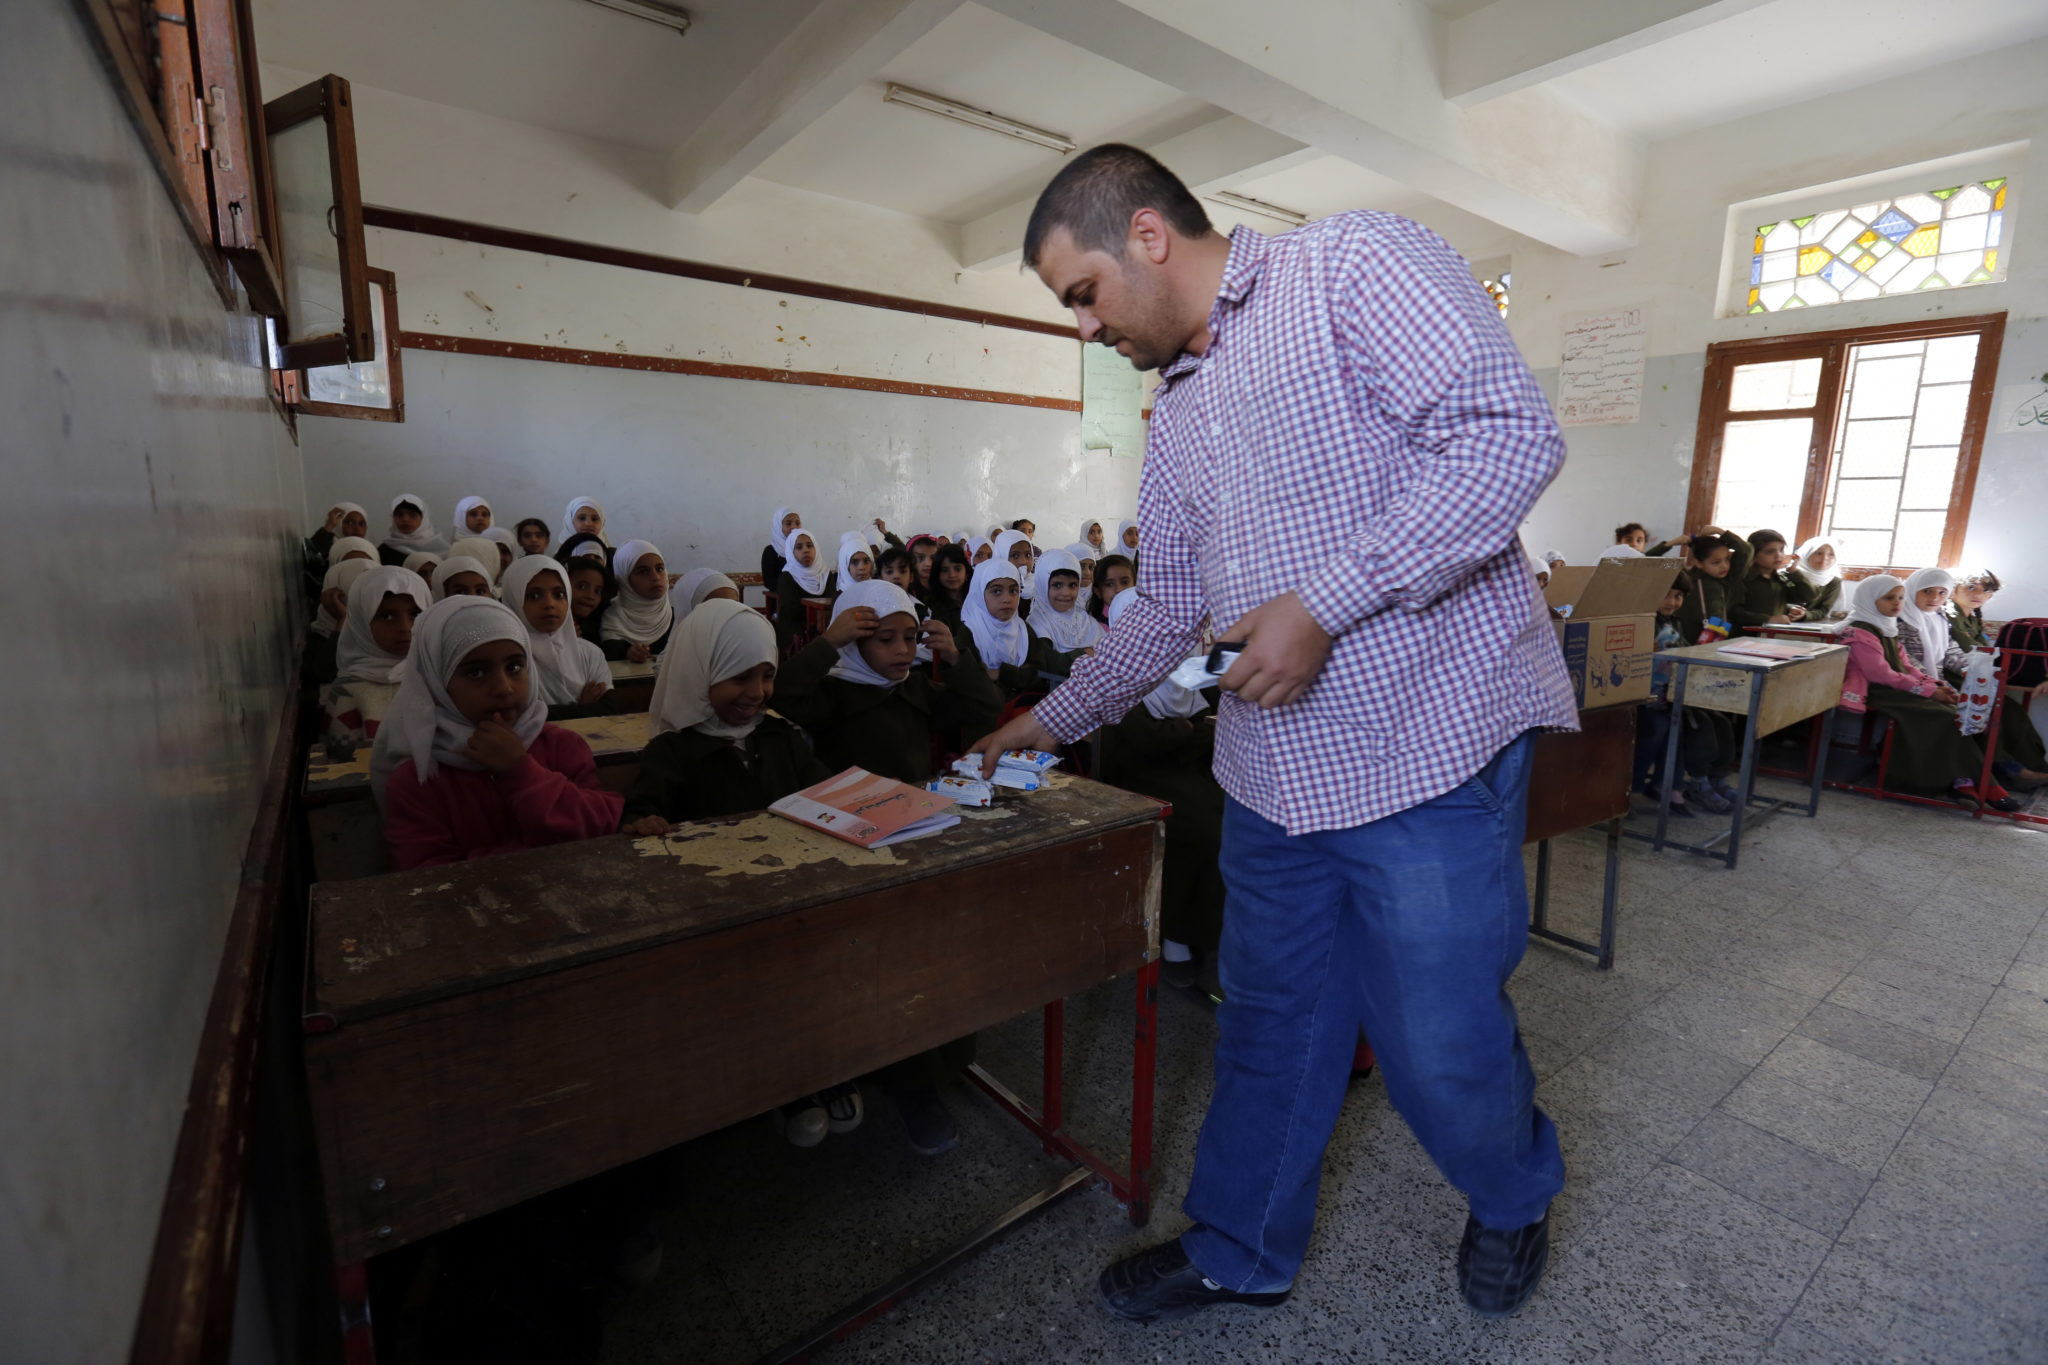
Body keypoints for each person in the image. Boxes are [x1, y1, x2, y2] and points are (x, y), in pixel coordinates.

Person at [971, 143, 1578, 1322]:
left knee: (1436, 1044)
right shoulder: (1180, 413)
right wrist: (1035, 725)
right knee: (1271, 1027)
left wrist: (1321, 605)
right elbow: (1163, 610)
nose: (1084, 327)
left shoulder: (1349, 265)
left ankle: (1510, 1194)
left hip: (1423, 749)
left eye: (1081, 293)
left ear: (1147, 235)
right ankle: (1241, 1248)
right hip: (1269, 773)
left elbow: (1505, 437)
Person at [772, 580, 1002, 1153]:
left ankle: (937, 1068)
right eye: (885, 640)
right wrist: (828, 642)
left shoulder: (918, 689)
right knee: (885, 969)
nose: (903, 651)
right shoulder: (834, 693)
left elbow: (983, 709)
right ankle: (907, 1085)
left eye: (910, 638)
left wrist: (956, 655)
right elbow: (783, 695)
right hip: (851, 847)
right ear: (857, 645)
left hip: (918, 837)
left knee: (936, 959)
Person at [372, 596, 625, 866]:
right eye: (477, 672)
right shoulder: (418, 777)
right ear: (436, 682)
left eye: (515, 667)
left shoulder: (561, 746)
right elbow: (427, 876)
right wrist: (543, 851)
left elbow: (602, 825)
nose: (504, 688)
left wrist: (521, 771)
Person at [1095, 586, 1224, 988]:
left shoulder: (1181, 666)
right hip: (1139, 776)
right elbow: (1151, 741)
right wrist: (1197, 731)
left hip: (1187, 768)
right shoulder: (1114, 674)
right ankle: (1176, 936)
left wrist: (1193, 731)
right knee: (1201, 828)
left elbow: (1215, 687)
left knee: (1237, 814)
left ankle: (1217, 931)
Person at [1838, 576, 2023, 810]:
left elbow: (1908, 666)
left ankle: (1963, 780)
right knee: (1947, 717)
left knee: (1960, 712)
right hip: (1878, 691)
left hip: (1899, 686)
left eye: (1900, 597)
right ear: (1868, 599)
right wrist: (1929, 692)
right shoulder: (1859, 631)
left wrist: (1935, 685)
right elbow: (1880, 674)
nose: (1897, 603)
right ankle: (1985, 783)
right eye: (1889, 598)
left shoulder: (1887, 626)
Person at [321, 566, 430, 753]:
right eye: (386, 616)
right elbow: (342, 767)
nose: (405, 627)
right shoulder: (347, 692)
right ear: (360, 621)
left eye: (415, 615)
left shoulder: (437, 677)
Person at [501, 556, 612, 720]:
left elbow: (609, 708)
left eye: (559, 594)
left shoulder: (590, 653)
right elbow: (521, 717)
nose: (550, 604)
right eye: (534, 596)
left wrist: (560, 712)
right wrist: (582, 708)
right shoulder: (506, 661)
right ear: (514, 599)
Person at [601, 541, 675, 663]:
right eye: (643, 571)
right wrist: (626, 652)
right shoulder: (610, 618)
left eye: (659, 568)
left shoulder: (676, 617)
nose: (656, 577)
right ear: (624, 579)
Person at [1028, 549, 1104, 660]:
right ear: (1043, 585)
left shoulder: (1084, 619)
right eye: (1057, 585)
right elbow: (1048, 663)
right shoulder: (1038, 622)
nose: (1066, 593)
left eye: (1073, 585)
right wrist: (1082, 654)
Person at [1729, 529, 1806, 630]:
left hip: (1772, 636)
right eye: (1769, 552)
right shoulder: (1745, 578)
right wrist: (1768, 619)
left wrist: (1794, 572)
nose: (1778, 555)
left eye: (1781, 550)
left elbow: (1807, 596)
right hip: (1743, 636)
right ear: (1754, 556)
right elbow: (1733, 612)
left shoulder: (1779, 578)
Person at [773, 528, 832, 656]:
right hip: (796, 632)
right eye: (799, 547)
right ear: (791, 552)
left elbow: (834, 602)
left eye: (810, 546)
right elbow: (791, 610)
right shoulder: (787, 577)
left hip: (825, 627)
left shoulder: (826, 575)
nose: (806, 550)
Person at [380, 493, 449, 566]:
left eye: (412, 515)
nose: (405, 519)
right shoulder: (384, 551)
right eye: (400, 515)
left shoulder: (441, 547)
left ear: (423, 518)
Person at [1786, 537, 1843, 618]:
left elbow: (1824, 610)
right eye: (1819, 553)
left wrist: (1805, 615)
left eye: (1831, 554)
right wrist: (1790, 609)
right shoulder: (1789, 573)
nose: (1824, 558)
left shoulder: (1834, 581)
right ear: (1807, 554)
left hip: (1810, 624)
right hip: (1780, 619)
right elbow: (1775, 602)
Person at [762, 506, 800, 597]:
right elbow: (769, 582)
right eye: (788, 523)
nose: (794, 527)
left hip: (806, 596)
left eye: (797, 523)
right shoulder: (771, 551)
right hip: (783, 599)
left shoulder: (804, 548)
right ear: (778, 526)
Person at [1088, 554, 1136, 625]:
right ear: (1098, 591)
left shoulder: (1147, 615)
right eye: (1109, 584)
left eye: (1125, 582)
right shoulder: (1095, 626)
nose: (1119, 590)